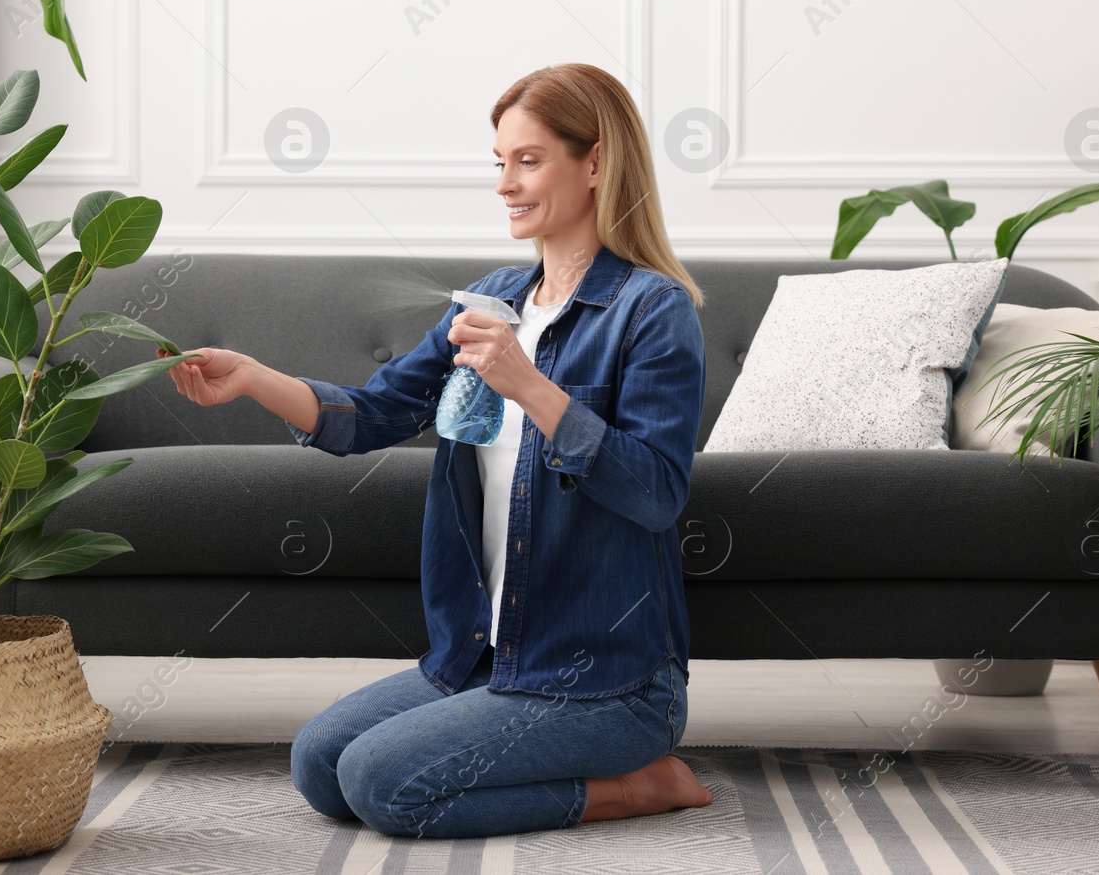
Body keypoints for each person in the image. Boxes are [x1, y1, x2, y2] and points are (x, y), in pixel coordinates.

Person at [159, 62, 712, 838]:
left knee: (382, 783)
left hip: (606, 681)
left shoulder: (652, 312)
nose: (505, 184)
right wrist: (254, 377)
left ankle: (637, 785)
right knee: (321, 762)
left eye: (528, 160)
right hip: (485, 657)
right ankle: (533, 741)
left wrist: (529, 385)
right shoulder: (492, 301)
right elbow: (375, 413)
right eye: (500, 162)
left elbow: (655, 492)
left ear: (595, 163)